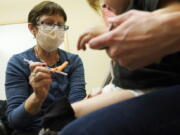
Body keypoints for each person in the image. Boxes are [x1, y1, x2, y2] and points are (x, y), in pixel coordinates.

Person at [57, 0, 180, 135]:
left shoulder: (146, 3)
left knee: (74, 131)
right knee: (60, 116)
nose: (104, 6)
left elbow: (171, 14)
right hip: (129, 88)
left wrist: (114, 30)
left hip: (153, 87)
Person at [5, 1, 86, 134]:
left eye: (60, 25)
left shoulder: (73, 61)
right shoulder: (18, 63)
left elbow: (76, 105)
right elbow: (15, 122)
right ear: (32, 28)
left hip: (66, 129)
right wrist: (37, 97)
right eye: (48, 23)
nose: (55, 29)